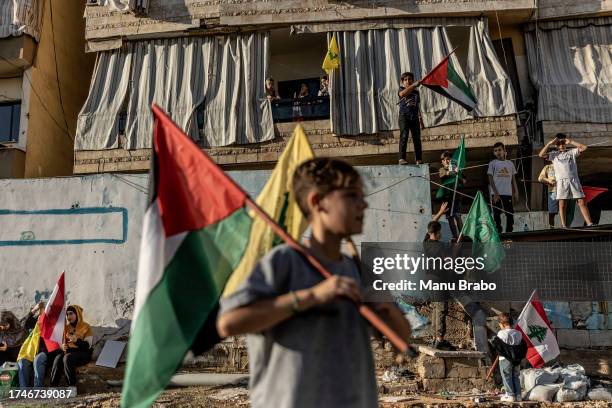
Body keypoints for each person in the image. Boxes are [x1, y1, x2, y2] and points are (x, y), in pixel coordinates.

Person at [217, 158, 413, 408]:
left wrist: (385, 304)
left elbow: (402, 337)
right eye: (352, 195)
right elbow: (229, 322)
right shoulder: (285, 262)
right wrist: (311, 297)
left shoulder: (356, 269)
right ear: (317, 202)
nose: (363, 204)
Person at [538, 133, 593, 228]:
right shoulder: (553, 155)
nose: (562, 146)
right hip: (561, 182)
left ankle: (589, 223)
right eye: (559, 144)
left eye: (563, 143)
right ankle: (564, 226)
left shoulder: (571, 152)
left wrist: (571, 142)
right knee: (562, 204)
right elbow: (541, 154)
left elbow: (584, 147)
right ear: (556, 145)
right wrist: (550, 143)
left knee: (581, 202)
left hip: (573, 181)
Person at [16, 302, 60, 388]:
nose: (42, 311)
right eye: (40, 309)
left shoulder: (51, 323)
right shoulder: (34, 322)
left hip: (45, 352)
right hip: (30, 352)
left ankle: (38, 391)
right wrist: (34, 310)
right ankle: (24, 392)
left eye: (44, 310)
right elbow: (22, 324)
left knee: (38, 359)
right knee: (22, 361)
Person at [50, 305, 93, 387]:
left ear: (77, 314)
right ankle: (53, 387)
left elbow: (88, 345)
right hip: (69, 352)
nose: (69, 316)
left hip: (83, 353)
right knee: (58, 358)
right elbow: (60, 343)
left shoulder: (86, 326)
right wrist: (62, 346)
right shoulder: (66, 327)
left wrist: (76, 341)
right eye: (67, 314)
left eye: (71, 313)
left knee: (67, 358)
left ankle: (72, 387)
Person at [490, 313, 526, 403]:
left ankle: (510, 395)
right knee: (516, 376)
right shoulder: (519, 334)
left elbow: (499, 347)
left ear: (502, 324)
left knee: (506, 376)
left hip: (504, 359)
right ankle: (518, 395)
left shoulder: (501, 333)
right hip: (517, 360)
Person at [487, 142, 518, 233]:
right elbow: (490, 178)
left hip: (507, 194)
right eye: (495, 151)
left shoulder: (510, 164)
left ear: (504, 151)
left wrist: (516, 191)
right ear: (494, 153)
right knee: (496, 214)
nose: (498, 152)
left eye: (500, 150)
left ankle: (509, 232)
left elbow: (513, 179)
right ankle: (499, 232)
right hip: (496, 194)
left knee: (510, 214)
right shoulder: (492, 163)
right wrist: (495, 193)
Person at [398, 72, 423, 165]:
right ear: (402, 82)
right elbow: (402, 94)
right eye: (406, 80)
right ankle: (401, 158)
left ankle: (419, 159)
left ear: (412, 80)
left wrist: (421, 118)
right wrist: (413, 85)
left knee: (417, 138)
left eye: (410, 79)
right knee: (404, 136)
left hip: (414, 117)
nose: (408, 81)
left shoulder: (416, 92)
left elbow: (418, 105)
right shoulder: (401, 89)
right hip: (404, 116)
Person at [438, 151, 464, 239]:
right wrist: (453, 171)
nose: (447, 161)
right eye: (445, 160)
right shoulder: (442, 170)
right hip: (447, 197)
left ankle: (461, 235)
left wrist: (458, 174)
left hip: (456, 197)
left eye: (448, 159)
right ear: (442, 162)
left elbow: (464, 181)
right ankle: (455, 236)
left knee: (457, 216)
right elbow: (446, 174)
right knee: (450, 218)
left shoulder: (457, 169)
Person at [538, 162, 558, 228]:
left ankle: (565, 227)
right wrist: (548, 181)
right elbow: (540, 178)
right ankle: (552, 228)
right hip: (553, 191)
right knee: (552, 212)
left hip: (563, 190)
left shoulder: (563, 165)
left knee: (564, 209)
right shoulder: (548, 167)